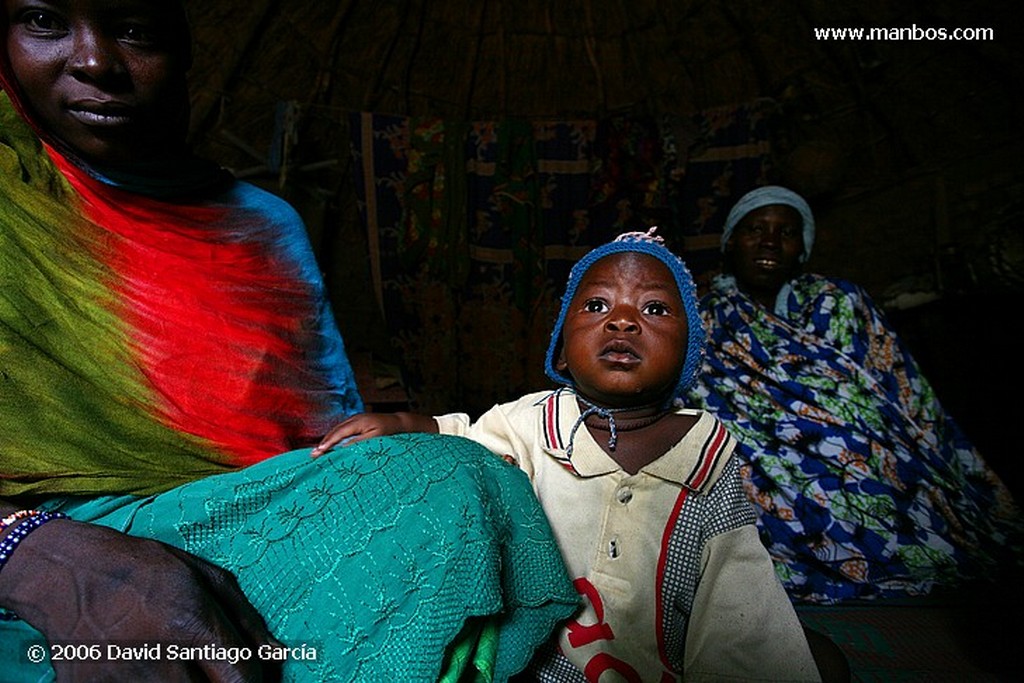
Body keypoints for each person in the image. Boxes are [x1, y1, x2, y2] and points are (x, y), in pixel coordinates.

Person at [0, 1, 576, 680]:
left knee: (453, 479)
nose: (95, 60)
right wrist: (34, 550)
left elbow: (322, 453)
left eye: (135, 28)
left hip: (234, 537)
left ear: (181, 56)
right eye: (43, 19)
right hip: (30, 565)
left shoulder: (261, 227)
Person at [316, 229, 827, 681]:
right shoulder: (533, 423)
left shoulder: (706, 460)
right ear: (562, 351)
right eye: (597, 306)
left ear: (689, 355)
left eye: (654, 309)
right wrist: (406, 425)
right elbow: (464, 446)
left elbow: (736, 606)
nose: (622, 322)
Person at [686, 185, 1024, 604]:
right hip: (761, 455)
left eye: (786, 232)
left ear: (803, 248)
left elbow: (896, 385)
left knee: (875, 470)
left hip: (859, 443)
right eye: (755, 228)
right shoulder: (706, 318)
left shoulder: (840, 300)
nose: (770, 241)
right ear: (731, 242)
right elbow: (696, 396)